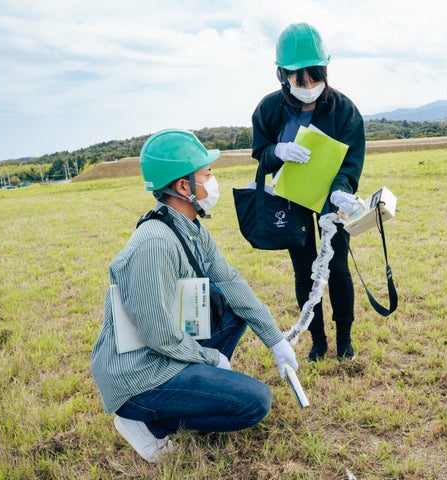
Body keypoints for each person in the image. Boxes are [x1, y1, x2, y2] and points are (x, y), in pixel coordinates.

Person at [90, 129, 298, 463]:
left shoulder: (190, 228)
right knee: (255, 402)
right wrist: (211, 359)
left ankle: (189, 387)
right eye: (207, 174)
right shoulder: (155, 244)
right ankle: (145, 421)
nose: (213, 181)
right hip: (141, 374)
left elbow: (229, 280)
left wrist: (275, 340)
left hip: (164, 349)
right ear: (184, 186)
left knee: (228, 305)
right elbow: (157, 335)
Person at [251, 23, 366, 362]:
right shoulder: (269, 109)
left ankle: (344, 338)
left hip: (332, 202)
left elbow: (352, 158)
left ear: (325, 72)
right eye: (300, 80)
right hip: (291, 200)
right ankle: (317, 339)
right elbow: (261, 152)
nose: (309, 87)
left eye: (315, 78)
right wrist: (278, 152)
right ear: (282, 75)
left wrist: (342, 190)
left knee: (338, 269)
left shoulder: (344, 109)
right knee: (304, 271)